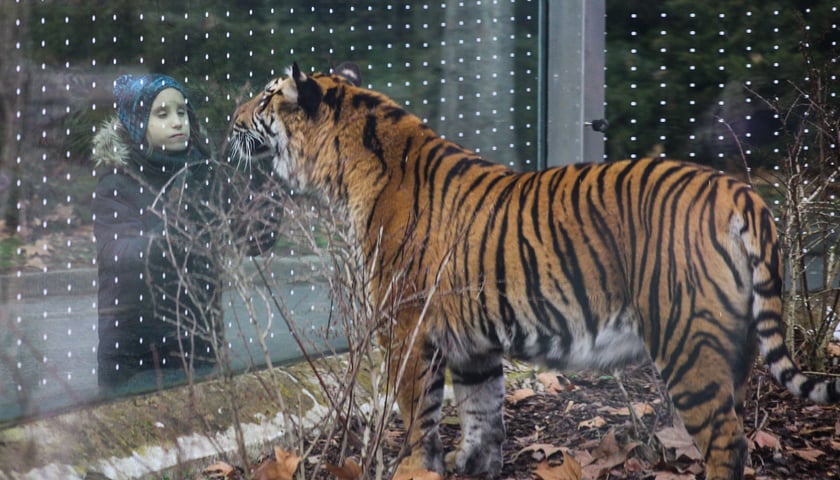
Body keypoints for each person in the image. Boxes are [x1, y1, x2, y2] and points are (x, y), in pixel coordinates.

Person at [92, 73, 277, 389]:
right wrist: (168, 237)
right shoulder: (118, 181)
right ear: (138, 123)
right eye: (161, 114)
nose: (177, 121)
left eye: (182, 112)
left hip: (197, 340)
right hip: (133, 347)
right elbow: (117, 254)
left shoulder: (203, 173)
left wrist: (264, 173)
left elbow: (254, 240)